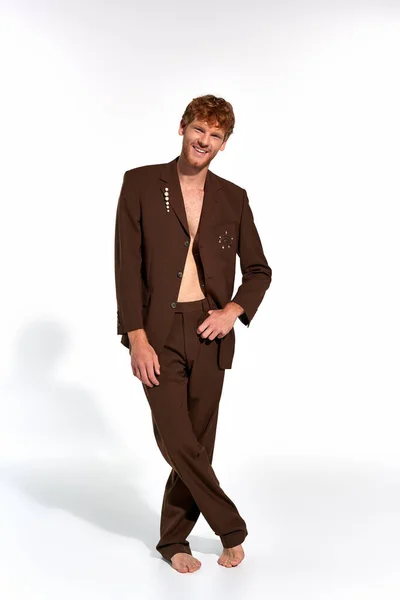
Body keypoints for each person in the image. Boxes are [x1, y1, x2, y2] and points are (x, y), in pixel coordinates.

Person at [114, 94, 272, 573]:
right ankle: (231, 526)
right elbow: (126, 267)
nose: (204, 141)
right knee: (177, 439)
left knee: (197, 444)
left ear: (224, 145)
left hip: (210, 333)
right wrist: (136, 337)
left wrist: (232, 312)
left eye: (215, 136)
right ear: (182, 128)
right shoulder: (141, 183)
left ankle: (173, 540)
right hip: (157, 332)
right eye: (198, 130)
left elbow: (260, 271)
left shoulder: (233, 197)